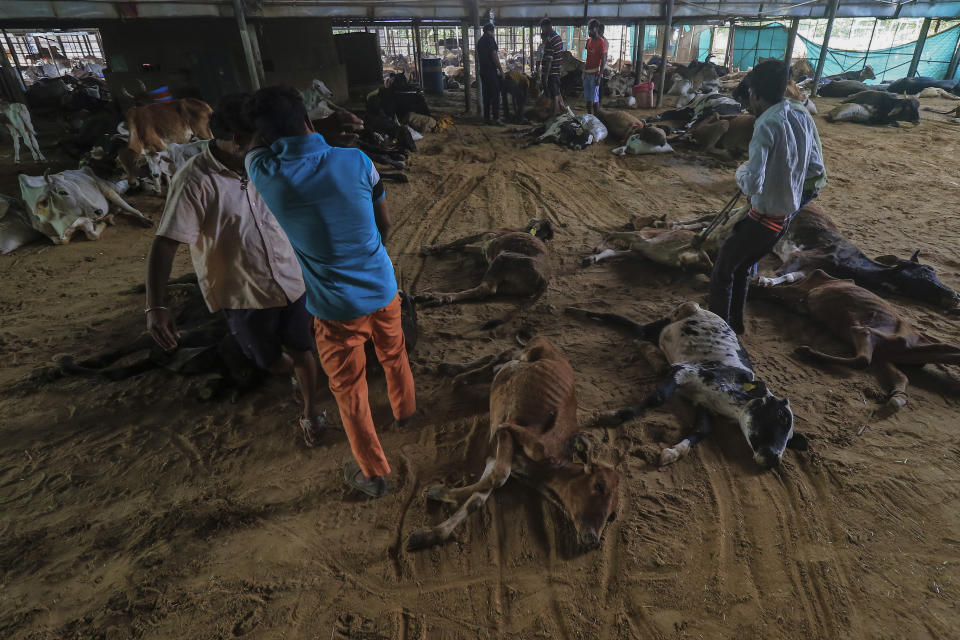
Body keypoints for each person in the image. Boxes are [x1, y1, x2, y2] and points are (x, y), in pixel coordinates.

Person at [244, 87, 416, 499]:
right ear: (307, 116)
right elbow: (385, 225)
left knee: (350, 388)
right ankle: (405, 412)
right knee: (394, 352)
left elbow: (252, 147)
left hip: (336, 309)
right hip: (382, 286)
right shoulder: (357, 161)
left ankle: (373, 474)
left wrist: (301, 129)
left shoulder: (267, 172)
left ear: (266, 135)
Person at [145, 94, 325, 446]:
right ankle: (284, 371)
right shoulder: (195, 179)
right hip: (244, 293)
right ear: (240, 140)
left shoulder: (270, 163)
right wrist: (156, 306)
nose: (273, 143)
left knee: (304, 349)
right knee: (270, 360)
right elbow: (165, 244)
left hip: (291, 279)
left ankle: (310, 411)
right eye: (263, 137)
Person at [708, 59, 826, 334]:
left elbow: (751, 184)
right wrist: (786, 175)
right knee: (740, 269)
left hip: (762, 219)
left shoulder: (765, 124)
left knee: (722, 271)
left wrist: (741, 171)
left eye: (750, 95)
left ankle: (716, 332)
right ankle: (735, 325)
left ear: (756, 94)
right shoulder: (801, 115)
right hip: (782, 220)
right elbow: (815, 168)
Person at [476, 23, 504, 126]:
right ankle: (496, 119)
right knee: (495, 95)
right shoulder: (490, 39)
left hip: (483, 72)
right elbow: (494, 54)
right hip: (491, 72)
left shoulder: (480, 41)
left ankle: (486, 119)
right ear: (491, 31)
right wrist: (500, 70)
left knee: (486, 95)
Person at [539, 18, 565, 117]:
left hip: (551, 73)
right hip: (557, 71)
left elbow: (549, 60)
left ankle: (553, 116)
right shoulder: (558, 38)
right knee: (557, 94)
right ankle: (558, 113)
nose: (542, 31)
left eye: (542, 29)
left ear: (546, 27)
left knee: (554, 96)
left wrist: (545, 77)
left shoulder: (550, 40)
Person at [583, 19, 607, 115]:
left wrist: (599, 76)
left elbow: (604, 60)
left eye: (591, 29)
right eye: (588, 29)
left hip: (595, 75)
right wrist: (584, 72)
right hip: (587, 74)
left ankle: (597, 119)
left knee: (594, 100)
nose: (589, 31)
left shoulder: (601, 42)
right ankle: (589, 117)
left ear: (596, 29)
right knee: (588, 100)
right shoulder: (588, 41)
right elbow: (587, 58)